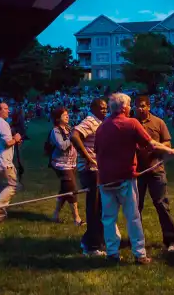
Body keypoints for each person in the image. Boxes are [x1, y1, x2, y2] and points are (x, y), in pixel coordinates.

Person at [95, 92, 174, 265]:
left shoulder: (102, 127)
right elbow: (151, 143)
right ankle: (139, 254)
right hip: (126, 179)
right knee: (133, 216)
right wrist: (173, 151)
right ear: (124, 107)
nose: (131, 108)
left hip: (105, 180)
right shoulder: (132, 123)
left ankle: (112, 253)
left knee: (109, 218)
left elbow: (98, 150)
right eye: (129, 105)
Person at [133, 96, 174, 252]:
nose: (140, 109)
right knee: (135, 208)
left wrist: (155, 148)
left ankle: (171, 240)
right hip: (137, 172)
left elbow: (168, 143)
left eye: (143, 106)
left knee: (161, 205)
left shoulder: (158, 122)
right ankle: (137, 240)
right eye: (137, 106)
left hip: (156, 170)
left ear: (149, 106)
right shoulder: (132, 123)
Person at [71, 98, 108, 257]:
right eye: (101, 108)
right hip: (90, 170)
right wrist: (87, 157)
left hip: (96, 169)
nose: (105, 111)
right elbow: (74, 135)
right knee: (94, 207)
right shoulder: (90, 121)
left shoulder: (99, 122)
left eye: (106, 108)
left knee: (99, 206)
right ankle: (91, 247)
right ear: (93, 108)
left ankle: (90, 240)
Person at [0, 102, 23, 224]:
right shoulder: (2, 123)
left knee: (0, 189)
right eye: (5, 109)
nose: (8, 111)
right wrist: (16, 139)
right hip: (2, 162)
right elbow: (8, 143)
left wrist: (13, 140)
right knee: (13, 185)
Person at [48, 107, 82, 225]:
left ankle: (55, 215)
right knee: (72, 190)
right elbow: (62, 146)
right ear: (58, 118)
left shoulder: (68, 128)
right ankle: (77, 219)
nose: (67, 116)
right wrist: (72, 137)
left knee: (65, 190)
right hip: (61, 164)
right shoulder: (56, 131)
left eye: (67, 114)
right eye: (64, 115)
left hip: (71, 163)